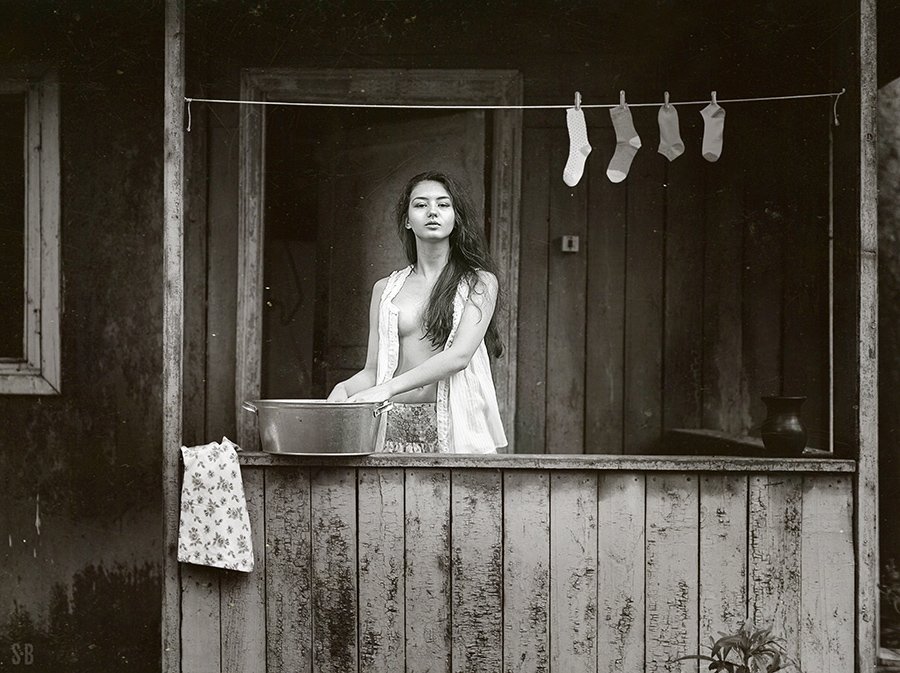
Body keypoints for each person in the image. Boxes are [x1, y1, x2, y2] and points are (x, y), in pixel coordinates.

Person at [326, 171, 507, 454]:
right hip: (392, 425)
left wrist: (386, 389)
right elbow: (373, 371)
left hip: (455, 425)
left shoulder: (479, 282)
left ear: (456, 218)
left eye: (443, 204)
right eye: (421, 204)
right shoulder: (385, 289)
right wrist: (344, 388)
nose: (432, 211)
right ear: (408, 220)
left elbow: (459, 357)